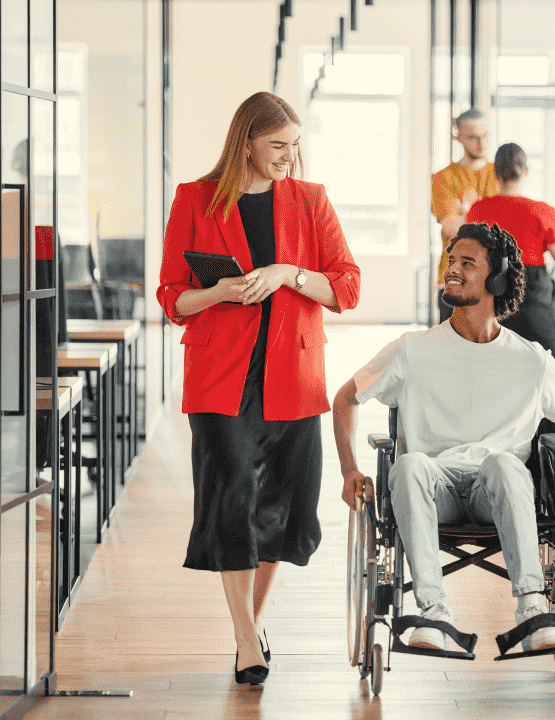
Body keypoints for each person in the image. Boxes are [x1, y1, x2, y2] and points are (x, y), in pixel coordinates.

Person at [156, 92, 361, 685]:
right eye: (278, 145)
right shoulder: (194, 198)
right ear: (246, 140)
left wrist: (290, 275)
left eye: (295, 145)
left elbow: (346, 288)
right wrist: (219, 293)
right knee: (231, 498)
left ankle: (251, 624)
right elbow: (173, 297)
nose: (289, 157)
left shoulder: (310, 200)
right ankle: (247, 638)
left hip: (292, 377)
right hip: (220, 379)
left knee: (279, 505)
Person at [332, 222, 555, 654]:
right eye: (451, 261)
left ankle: (532, 608)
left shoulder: (529, 360)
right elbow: (346, 397)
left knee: (504, 463)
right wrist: (349, 470)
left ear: (496, 279)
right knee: (410, 463)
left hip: (498, 491)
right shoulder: (413, 350)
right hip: (434, 489)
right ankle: (432, 613)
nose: (451, 270)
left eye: (466, 264)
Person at [466, 143, 555, 379]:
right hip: (532, 297)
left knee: (494, 375)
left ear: (495, 173)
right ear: (526, 172)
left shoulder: (477, 210)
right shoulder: (542, 212)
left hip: (490, 299)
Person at [431, 109, 499, 322]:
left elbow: (507, 226)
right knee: (449, 352)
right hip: (453, 279)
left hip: (493, 279)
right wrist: (488, 218)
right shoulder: (443, 178)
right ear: (457, 136)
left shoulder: (499, 173)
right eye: (473, 137)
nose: (482, 143)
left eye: (486, 135)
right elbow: (451, 228)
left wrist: (467, 212)